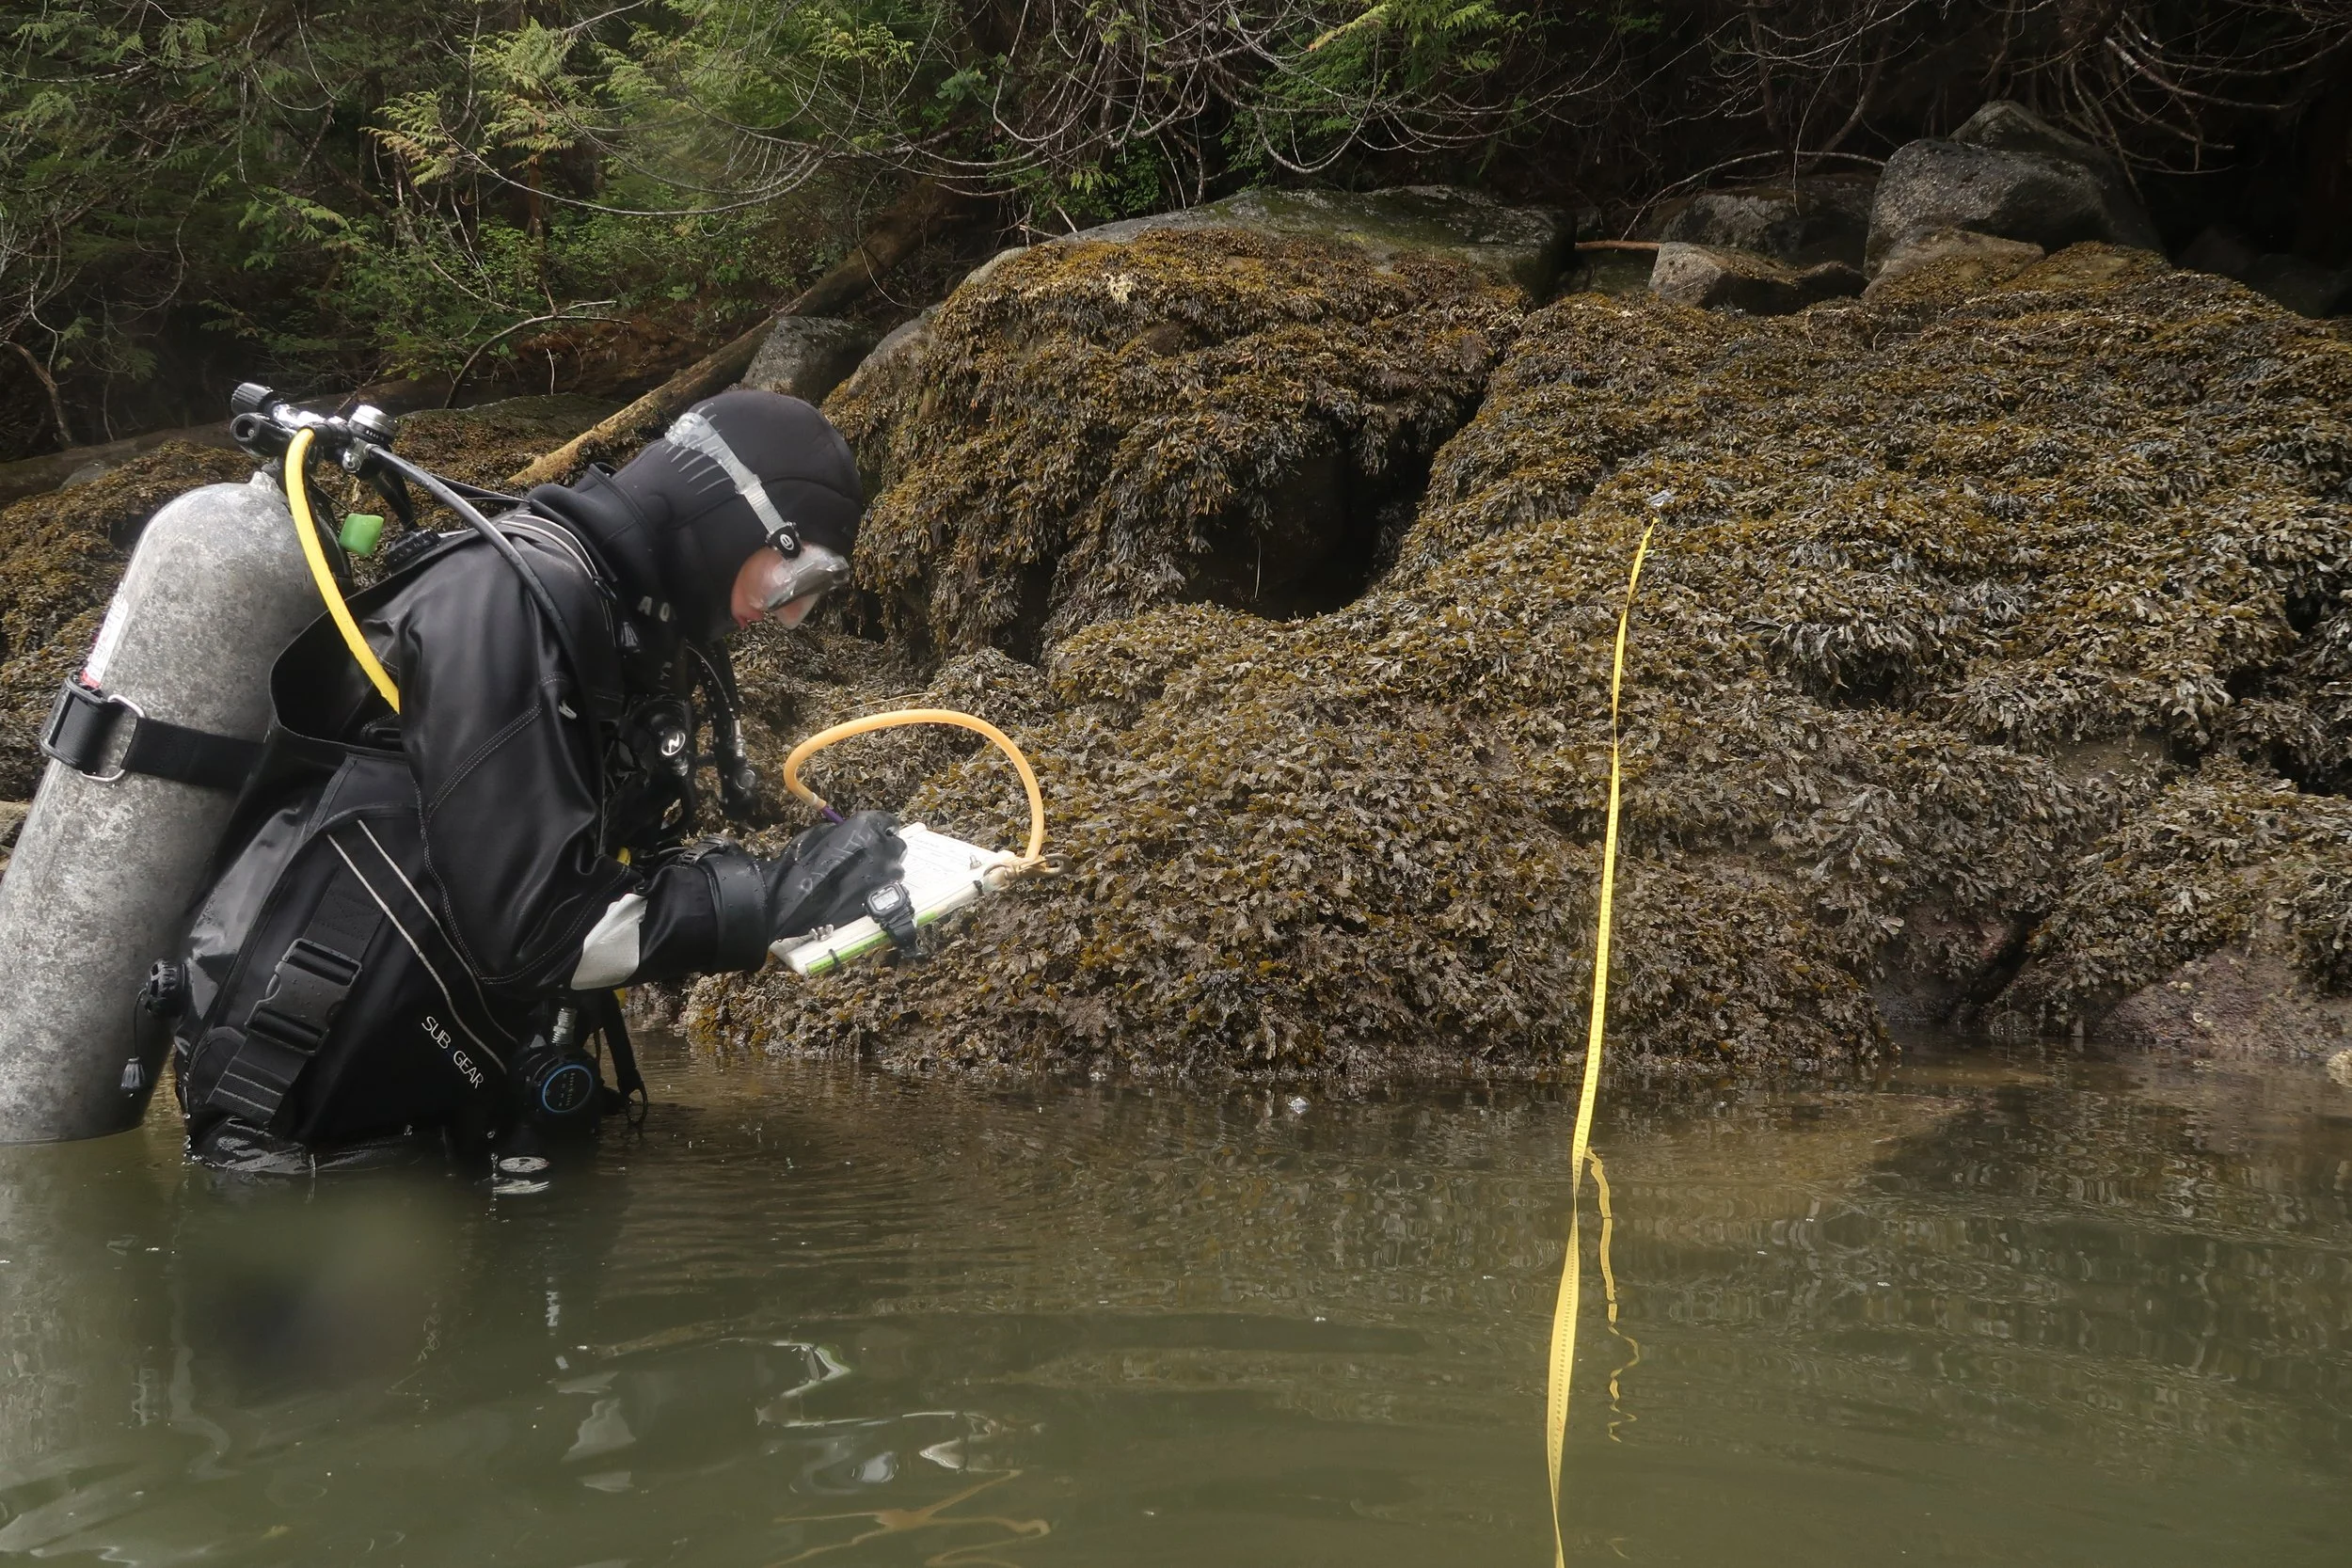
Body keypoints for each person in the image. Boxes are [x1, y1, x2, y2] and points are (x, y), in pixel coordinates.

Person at [163, 389, 906, 1172]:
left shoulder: (621, 626)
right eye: (800, 574)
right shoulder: (505, 603)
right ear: (737, 515)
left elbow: (610, 877)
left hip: (422, 1116)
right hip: (293, 1139)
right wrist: (780, 894)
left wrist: (821, 889)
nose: (790, 614)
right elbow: (537, 932)